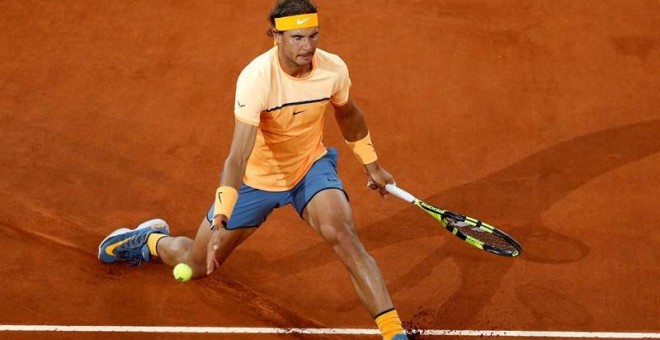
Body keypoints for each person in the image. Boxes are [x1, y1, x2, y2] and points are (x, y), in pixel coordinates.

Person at [98, 0, 408, 339]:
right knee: (197, 264)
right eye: (298, 38)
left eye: (313, 36)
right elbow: (237, 157)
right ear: (276, 36)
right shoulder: (256, 79)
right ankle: (151, 241)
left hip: (309, 168)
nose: (308, 47)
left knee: (345, 235)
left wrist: (372, 165)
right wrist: (221, 217)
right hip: (255, 180)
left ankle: (394, 332)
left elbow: (347, 114)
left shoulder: (332, 69)